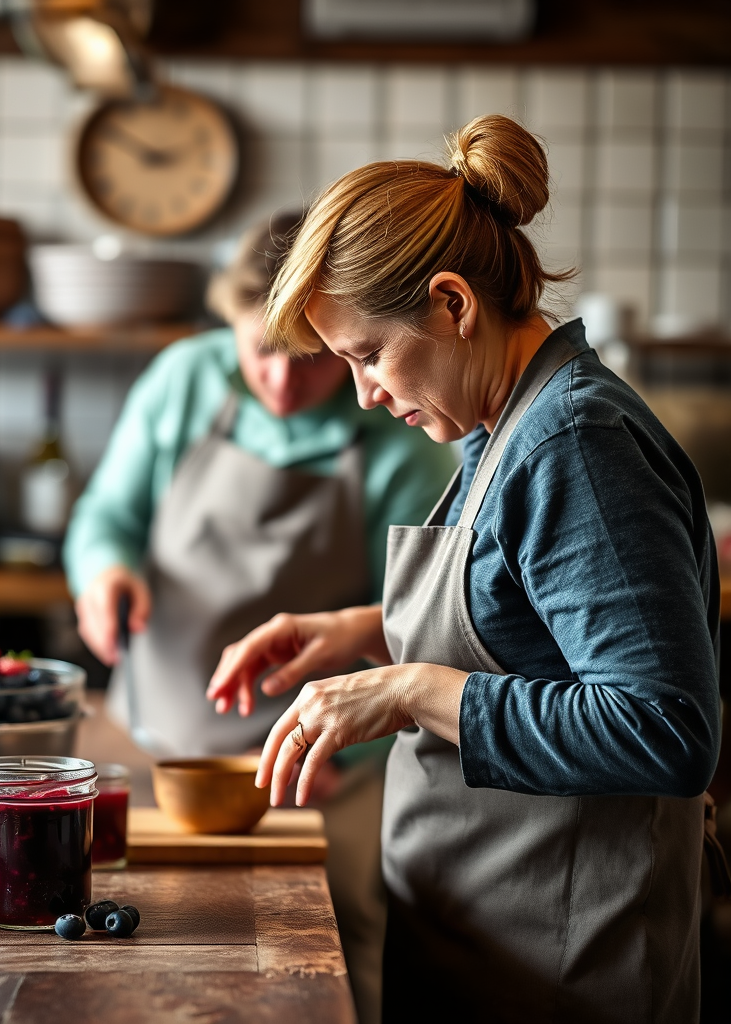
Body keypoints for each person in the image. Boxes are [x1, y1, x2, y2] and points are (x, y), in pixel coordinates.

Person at [207, 115, 722, 1024]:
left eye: (368, 355)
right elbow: (523, 615)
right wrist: (355, 631)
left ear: (452, 304)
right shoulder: (504, 424)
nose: (366, 392)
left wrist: (408, 690)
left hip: (563, 971)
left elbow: (664, 729)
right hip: (487, 938)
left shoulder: (575, 443)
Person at [63, 210, 456, 1024]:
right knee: (135, 961)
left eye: (312, 359)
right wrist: (104, 572)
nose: (280, 381)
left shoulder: (402, 438)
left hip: (321, 777)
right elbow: (107, 514)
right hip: (152, 749)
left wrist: (353, 750)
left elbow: (419, 629)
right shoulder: (183, 378)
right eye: (260, 351)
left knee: (323, 965)